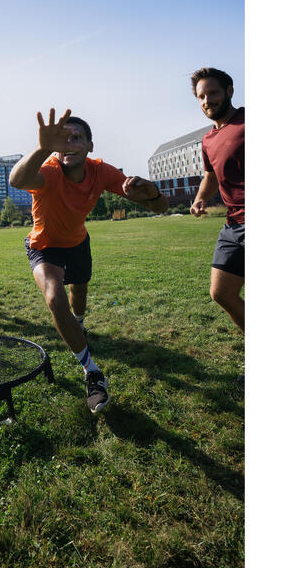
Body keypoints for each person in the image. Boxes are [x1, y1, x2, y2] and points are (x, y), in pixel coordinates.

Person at [9, 109, 168, 413]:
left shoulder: (101, 171)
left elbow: (155, 205)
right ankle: (91, 372)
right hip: (45, 247)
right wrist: (43, 146)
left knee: (79, 294)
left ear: (90, 146)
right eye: (63, 139)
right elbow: (17, 180)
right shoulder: (51, 170)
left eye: (77, 138)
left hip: (78, 242)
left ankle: (78, 327)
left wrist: (153, 192)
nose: (69, 143)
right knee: (55, 298)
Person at [189, 67, 245, 335]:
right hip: (233, 225)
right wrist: (200, 198)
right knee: (222, 293)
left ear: (229, 91)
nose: (207, 101)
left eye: (213, 93)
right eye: (201, 96)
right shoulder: (208, 139)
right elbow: (210, 175)